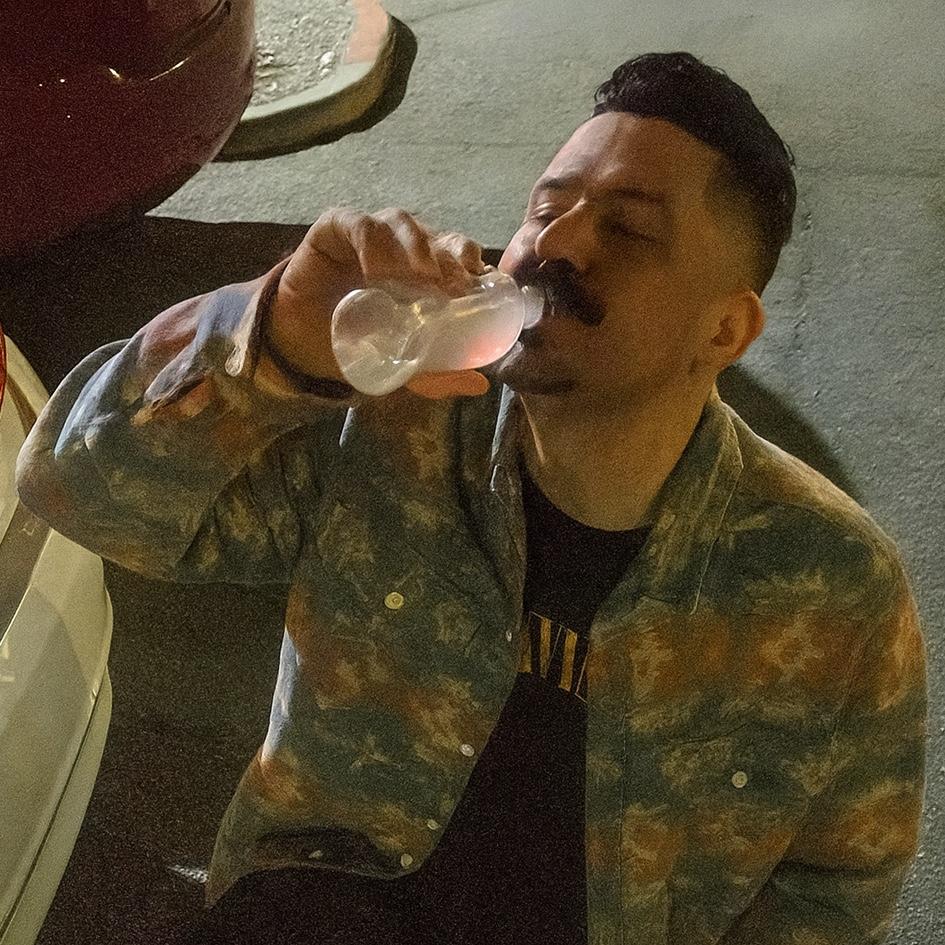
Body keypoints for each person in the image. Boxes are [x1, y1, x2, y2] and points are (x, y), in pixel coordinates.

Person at [16, 52, 926, 945]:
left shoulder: (826, 582)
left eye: (629, 229)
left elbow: (840, 881)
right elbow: (78, 492)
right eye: (547, 207)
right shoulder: (387, 430)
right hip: (322, 909)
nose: (556, 244)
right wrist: (273, 336)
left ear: (724, 328)